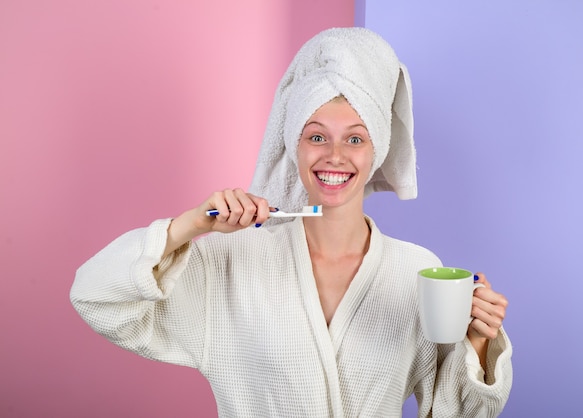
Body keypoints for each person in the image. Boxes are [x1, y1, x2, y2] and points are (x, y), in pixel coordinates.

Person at [71, 27, 512, 417]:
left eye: (355, 138)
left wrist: (476, 340)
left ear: (376, 149)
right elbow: (96, 297)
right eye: (316, 136)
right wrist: (193, 225)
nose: (334, 156)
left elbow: (459, 415)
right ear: (294, 146)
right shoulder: (231, 260)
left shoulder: (415, 271)